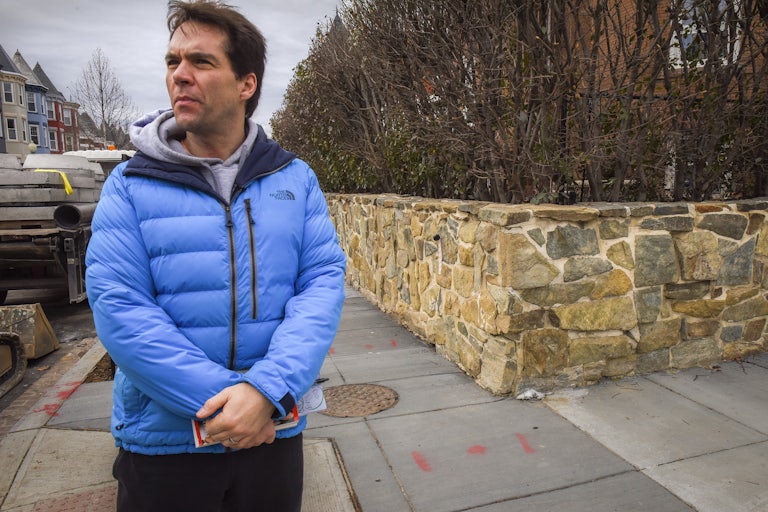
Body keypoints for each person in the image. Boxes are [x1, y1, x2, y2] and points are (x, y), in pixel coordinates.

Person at [84, 1, 346, 510]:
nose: (179, 75)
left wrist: (266, 393)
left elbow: (321, 286)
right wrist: (232, 408)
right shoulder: (129, 186)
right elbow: (120, 309)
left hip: (271, 441)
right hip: (165, 446)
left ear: (246, 84)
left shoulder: (295, 179)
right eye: (173, 61)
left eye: (201, 62)